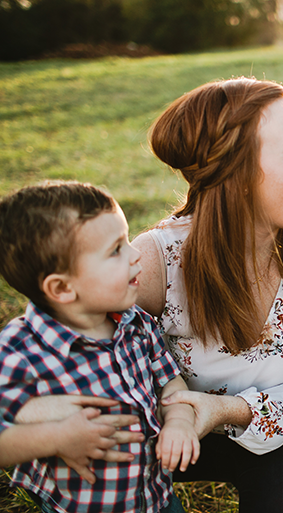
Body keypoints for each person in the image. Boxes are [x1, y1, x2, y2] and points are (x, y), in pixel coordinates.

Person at [131, 77, 283, 513]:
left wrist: (221, 410)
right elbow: (76, 344)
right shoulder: (158, 259)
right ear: (238, 175)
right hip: (171, 428)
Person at [0, 181, 198, 513]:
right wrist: (57, 438)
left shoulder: (137, 323)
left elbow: (170, 383)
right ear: (62, 288)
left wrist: (179, 421)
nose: (135, 254)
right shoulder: (20, 352)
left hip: (155, 497)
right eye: (116, 249)